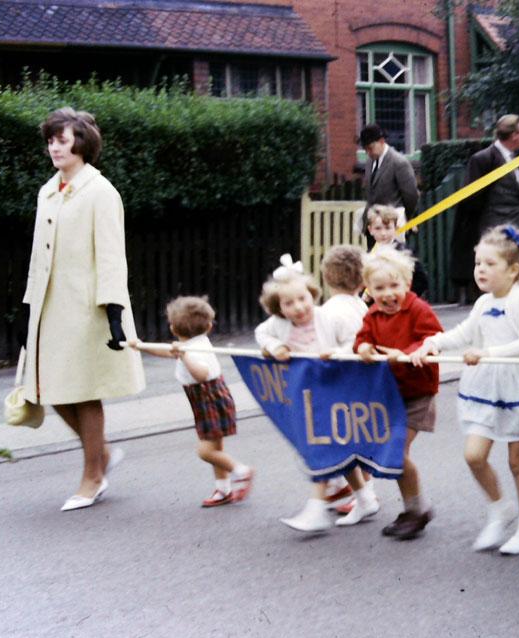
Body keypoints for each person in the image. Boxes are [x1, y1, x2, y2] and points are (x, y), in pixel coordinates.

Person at [22, 107, 145, 512]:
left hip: (89, 309)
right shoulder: (47, 191)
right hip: (51, 309)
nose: (55, 146)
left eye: (63, 138)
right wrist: (30, 304)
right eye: (51, 139)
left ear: (83, 143)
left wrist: (113, 313)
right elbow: (39, 257)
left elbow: (112, 256)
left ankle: (93, 476)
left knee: (85, 392)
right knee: (49, 389)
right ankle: (102, 455)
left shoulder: (101, 192)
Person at [410, 226, 519, 555]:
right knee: (474, 456)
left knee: (518, 462)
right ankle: (499, 508)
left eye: (489, 264)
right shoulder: (483, 302)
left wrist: (488, 353)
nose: (480, 270)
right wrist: (431, 342)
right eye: (478, 263)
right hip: (487, 387)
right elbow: (464, 333)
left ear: (513, 269)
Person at [254, 255, 371, 532]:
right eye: (288, 303)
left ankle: (316, 510)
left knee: (321, 448)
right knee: (336, 450)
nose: (297, 307)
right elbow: (262, 333)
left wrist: (338, 353)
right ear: (278, 308)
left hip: (336, 391)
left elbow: (356, 340)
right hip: (307, 396)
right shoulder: (279, 324)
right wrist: (274, 347)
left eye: (302, 299)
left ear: (313, 295)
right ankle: (365, 498)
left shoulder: (327, 317)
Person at [129, 297, 253, 507]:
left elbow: (202, 374)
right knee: (216, 449)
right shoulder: (192, 343)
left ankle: (241, 471)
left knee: (206, 452)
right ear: (209, 326)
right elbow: (167, 351)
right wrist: (141, 346)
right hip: (209, 400)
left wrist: (185, 356)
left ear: (173, 328)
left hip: (209, 400)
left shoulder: (193, 350)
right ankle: (223, 490)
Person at [355, 247, 443, 540]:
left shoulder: (418, 309)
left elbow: (433, 340)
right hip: (391, 394)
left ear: (407, 284)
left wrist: (405, 354)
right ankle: (412, 509)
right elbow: (363, 338)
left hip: (418, 392)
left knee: (396, 452)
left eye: (395, 286)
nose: (388, 294)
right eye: (379, 288)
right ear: (369, 290)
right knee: (393, 454)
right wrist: (363, 348)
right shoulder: (373, 314)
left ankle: (418, 509)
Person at [319, 245, 381, 522]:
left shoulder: (328, 311)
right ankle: (361, 490)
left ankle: (361, 494)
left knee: (339, 442)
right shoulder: (362, 306)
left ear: (327, 277)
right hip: (366, 381)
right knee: (360, 440)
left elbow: (323, 348)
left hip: (341, 383)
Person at [451, 115, 519, 300]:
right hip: (494, 228)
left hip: (517, 226)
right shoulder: (483, 159)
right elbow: (472, 197)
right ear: (513, 135)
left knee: (516, 271)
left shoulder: (515, 157)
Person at [358, 124, 419, 247]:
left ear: (381, 141)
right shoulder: (370, 162)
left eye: (370, 148)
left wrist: (407, 219)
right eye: (365, 149)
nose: (368, 153)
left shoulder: (399, 162)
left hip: (392, 228)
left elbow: (411, 196)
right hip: (373, 226)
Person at [364, 204, 430, 298]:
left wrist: (405, 297)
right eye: (378, 228)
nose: (383, 233)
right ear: (370, 230)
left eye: (387, 228)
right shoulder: (368, 254)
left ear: (396, 228)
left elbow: (421, 280)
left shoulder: (405, 252)